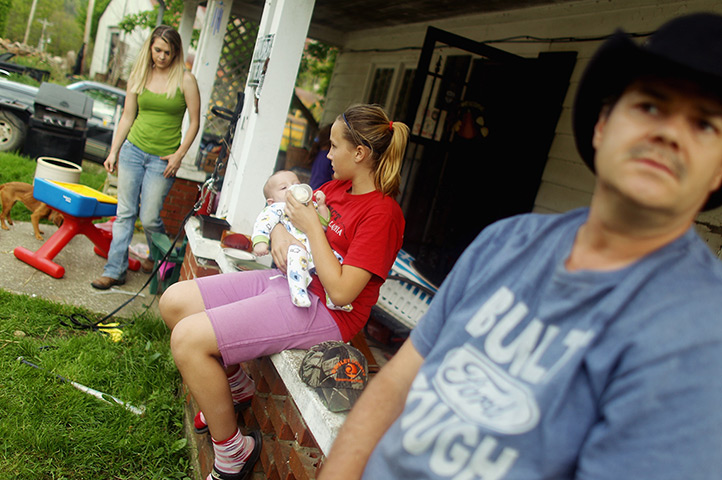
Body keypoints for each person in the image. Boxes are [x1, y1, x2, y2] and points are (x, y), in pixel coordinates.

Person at [319, 13, 722, 480]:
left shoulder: (698, 335)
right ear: (602, 126)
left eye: (705, 125)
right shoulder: (507, 243)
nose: (669, 132)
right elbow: (394, 386)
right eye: (650, 106)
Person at [159, 104, 409, 480]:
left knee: (188, 340)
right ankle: (237, 385)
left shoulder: (383, 215)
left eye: (335, 146)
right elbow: (281, 215)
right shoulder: (335, 189)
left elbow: (341, 292)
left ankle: (232, 455)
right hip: (290, 282)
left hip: (326, 311)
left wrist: (308, 229)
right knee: (175, 301)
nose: (327, 154)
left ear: (359, 153)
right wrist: (280, 233)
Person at [91, 25, 200, 290]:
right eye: (158, 50)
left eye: (168, 52)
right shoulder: (139, 74)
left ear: (176, 52)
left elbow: (195, 123)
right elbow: (128, 116)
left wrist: (179, 155)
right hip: (133, 150)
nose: (162, 57)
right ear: (150, 48)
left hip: (163, 159)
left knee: (150, 217)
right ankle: (115, 270)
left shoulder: (185, 80)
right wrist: (114, 150)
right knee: (125, 213)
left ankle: (157, 258)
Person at [252, 170, 351, 311]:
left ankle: (333, 299)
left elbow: (323, 225)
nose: (292, 189)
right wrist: (260, 242)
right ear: (271, 201)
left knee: (336, 260)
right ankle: (298, 292)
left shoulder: (309, 205)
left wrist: (322, 206)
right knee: (296, 262)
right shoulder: (277, 207)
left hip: (317, 250)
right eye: (283, 188)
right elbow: (263, 223)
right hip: (296, 247)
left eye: (296, 184)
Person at [308, 124, 333, 189]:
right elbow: (336, 181)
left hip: (314, 190)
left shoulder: (318, 153)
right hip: (321, 194)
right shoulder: (329, 157)